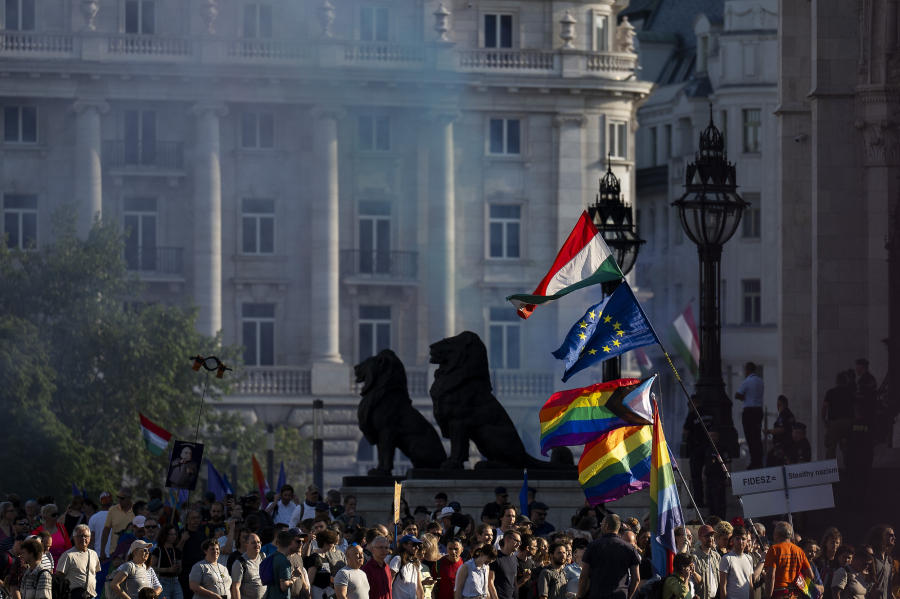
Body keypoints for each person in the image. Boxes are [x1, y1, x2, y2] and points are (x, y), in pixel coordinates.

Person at [576, 514, 641, 599]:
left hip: (597, 595)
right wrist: (628, 597)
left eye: (602, 524)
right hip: (620, 595)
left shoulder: (593, 546)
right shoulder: (630, 548)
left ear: (607, 526)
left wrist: (579, 596)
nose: (601, 526)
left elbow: (584, 575)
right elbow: (636, 578)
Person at [763, 522, 814, 599]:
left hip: (780, 593)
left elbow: (770, 576)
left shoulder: (774, 549)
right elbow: (810, 575)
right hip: (796, 594)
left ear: (778, 534)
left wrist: (768, 597)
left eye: (774, 533)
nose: (773, 535)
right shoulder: (799, 551)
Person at [682, 396, 714, 507]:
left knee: (696, 475)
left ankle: (698, 500)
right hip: (709, 448)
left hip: (697, 448)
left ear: (692, 405)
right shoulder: (710, 413)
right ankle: (710, 500)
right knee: (709, 474)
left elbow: (685, 431)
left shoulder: (692, 414)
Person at [57, 524, 101, 599]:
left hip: (92, 596)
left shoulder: (93, 554)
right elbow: (59, 577)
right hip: (74, 595)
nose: (83, 538)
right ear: (74, 538)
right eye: (80, 536)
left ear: (90, 538)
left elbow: (94, 572)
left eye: (86, 536)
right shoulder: (68, 556)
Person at [719, 526, 763, 599]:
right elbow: (723, 587)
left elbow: (750, 585)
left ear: (747, 541)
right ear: (732, 540)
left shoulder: (749, 558)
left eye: (743, 539)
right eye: (737, 538)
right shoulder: (726, 558)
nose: (740, 541)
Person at [735, 362, 764, 469]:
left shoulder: (747, 381)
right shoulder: (760, 381)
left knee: (750, 437)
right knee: (757, 436)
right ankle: (759, 460)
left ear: (746, 370)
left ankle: (754, 461)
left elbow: (737, 395)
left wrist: (743, 397)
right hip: (758, 411)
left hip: (749, 412)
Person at [821, 372, 854, 459]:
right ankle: (849, 465)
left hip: (833, 422)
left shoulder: (831, 392)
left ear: (836, 382)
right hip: (847, 422)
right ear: (845, 382)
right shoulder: (850, 392)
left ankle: (830, 466)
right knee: (847, 447)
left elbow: (824, 407)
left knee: (831, 447)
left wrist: (824, 419)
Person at [178, 510, 209, 599]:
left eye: (198, 518)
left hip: (200, 571)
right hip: (185, 573)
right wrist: (183, 540)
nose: (196, 520)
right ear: (187, 520)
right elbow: (176, 551)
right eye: (193, 518)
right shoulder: (181, 533)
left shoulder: (202, 535)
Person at [305, 528, 343, 599]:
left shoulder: (326, 557)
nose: (333, 545)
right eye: (331, 543)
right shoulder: (315, 558)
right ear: (325, 543)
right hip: (317, 593)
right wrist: (310, 597)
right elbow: (309, 582)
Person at [702, 428, 731, 520]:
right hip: (709, 480)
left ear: (718, 436)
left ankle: (720, 521)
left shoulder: (723, 448)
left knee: (719, 504)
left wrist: (728, 477)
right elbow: (705, 463)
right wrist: (703, 474)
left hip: (718, 480)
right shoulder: (708, 448)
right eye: (710, 436)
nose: (712, 438)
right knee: (710, 503)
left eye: (714, 436)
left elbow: (727, 463)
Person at [266, 530, 304, 599]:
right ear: (290, 543)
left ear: (276, 542)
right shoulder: (284, 560)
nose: (301, 544)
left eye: (303, 541)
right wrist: (295, 576)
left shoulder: (269, 557)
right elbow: (284, 586)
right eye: (298, 541)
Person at [488, 530, 524, 599]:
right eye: (516, 541)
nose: (519, 544)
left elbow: (514, 584)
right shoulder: (495, 556)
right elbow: (490, 581)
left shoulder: (514, 559)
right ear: (507, 539)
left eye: (520, 542)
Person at [101, 490, 134, 562]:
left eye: (122, 498)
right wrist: (102, 550)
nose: (119, 500)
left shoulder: (136, 509)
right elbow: (106, 530)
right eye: (118, 497)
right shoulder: (112, 510)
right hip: (115, 552)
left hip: (132, 552)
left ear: (129, 498)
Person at [152, 524, 184, 599]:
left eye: (175, 534)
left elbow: (180, 569)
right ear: (165, 535)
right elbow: (151, 567)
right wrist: (167, 570)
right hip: (162, 581)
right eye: (171, 534)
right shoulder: (158, 550)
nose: (173, 536)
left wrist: (178, 569)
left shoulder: (177, 551)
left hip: (175, 580)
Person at [764, 397, 796, 467]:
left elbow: (781, 429)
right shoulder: (790, 414)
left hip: (783, 447)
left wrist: (768, 431)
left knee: (771, 462)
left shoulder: (783, 415)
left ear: (778, 404)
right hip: (787, 446)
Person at [231, 532, 265, 599]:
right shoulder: (240, 563)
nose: (257, 545)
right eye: (253, 543)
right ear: (246, 545)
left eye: (258, 542)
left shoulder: (263, 556)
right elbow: (235, 587)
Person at [865, 524, 894, 599]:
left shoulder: (889, 560)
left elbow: (888, 588)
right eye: (891, 535)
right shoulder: (871, 558)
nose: (894, 538)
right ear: (881, 536)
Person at [390, 534, 424, 599]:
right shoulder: (398, 559)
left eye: (418, 545)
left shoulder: (416, 562)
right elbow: (389, 582)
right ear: (404, 545)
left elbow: (419, 587)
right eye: (414, 544)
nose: (417, 547)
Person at [693, 525, 720, 599]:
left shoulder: (717, 557)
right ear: (699, 538)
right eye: (707, 536)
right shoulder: (694, 558)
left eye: (711, 536)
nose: (710, 538)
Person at [89, 493, 112, 558]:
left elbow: (91, 540)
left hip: (97, 554)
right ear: (111, 502)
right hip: (112, 554)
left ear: (100, 502)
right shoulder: (115, 517)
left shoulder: (94, 518)